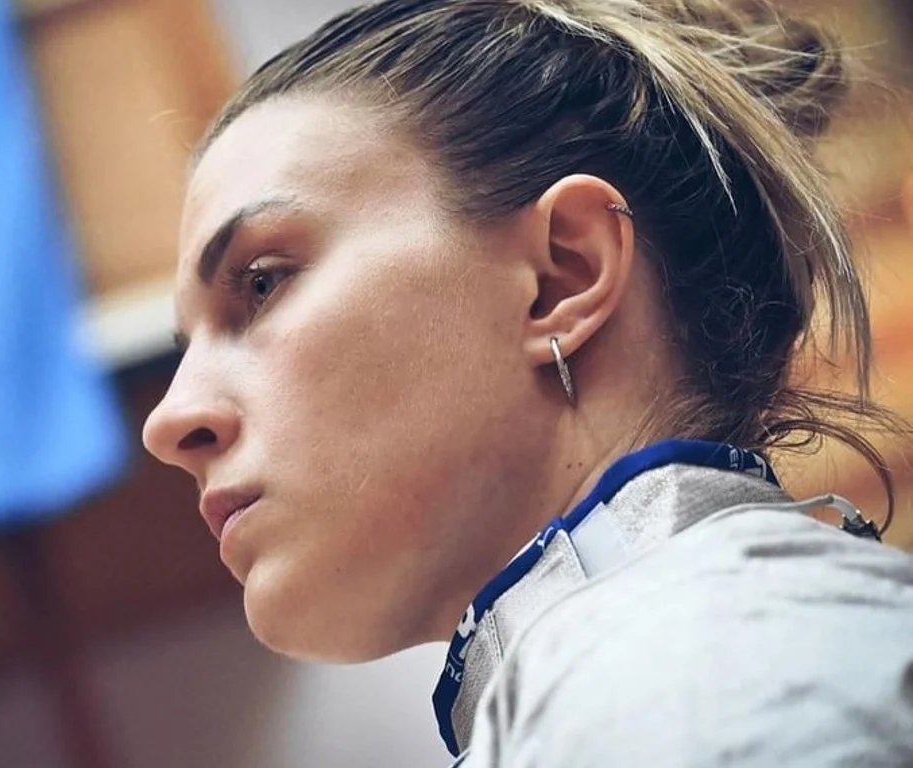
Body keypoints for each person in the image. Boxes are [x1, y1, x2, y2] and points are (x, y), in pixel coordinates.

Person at [140, 0, 913, 764]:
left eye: (263, 283)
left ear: (560, 276)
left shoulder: (708, 680)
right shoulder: (667, 676)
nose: (169, 420)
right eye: (187, 345)